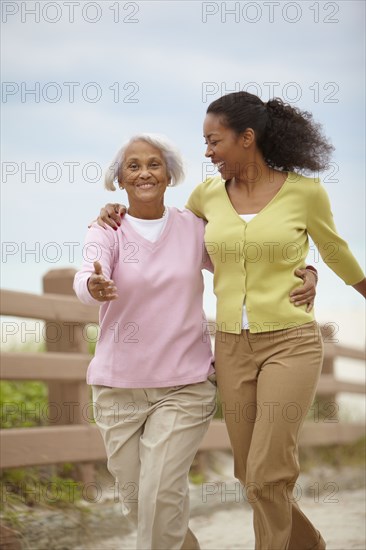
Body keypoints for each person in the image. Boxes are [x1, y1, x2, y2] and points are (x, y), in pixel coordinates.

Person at [96, 92, 365, 550]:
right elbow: (166, 236)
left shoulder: (305, 193)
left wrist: (316, 271)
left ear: (246, 138)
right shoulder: (207, 196)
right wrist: (116, 215)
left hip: (290, 342)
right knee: (249, 474)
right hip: (232, 349)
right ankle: (308, 544)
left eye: (214, 141)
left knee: (267, 472)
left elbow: (335, 251)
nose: (207, 152)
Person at [74, 134, 217, 550]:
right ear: (120, 178)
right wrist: (95, 286)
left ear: (169, 174)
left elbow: (238, 260)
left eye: (153, 164)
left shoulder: (194, 229)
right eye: (133, 166)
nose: (144, 173)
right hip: (118, 389)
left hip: (184, 385)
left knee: (160, 492)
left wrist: (306, 267)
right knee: (140, 502)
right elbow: (86, 276)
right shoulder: (108, 229)